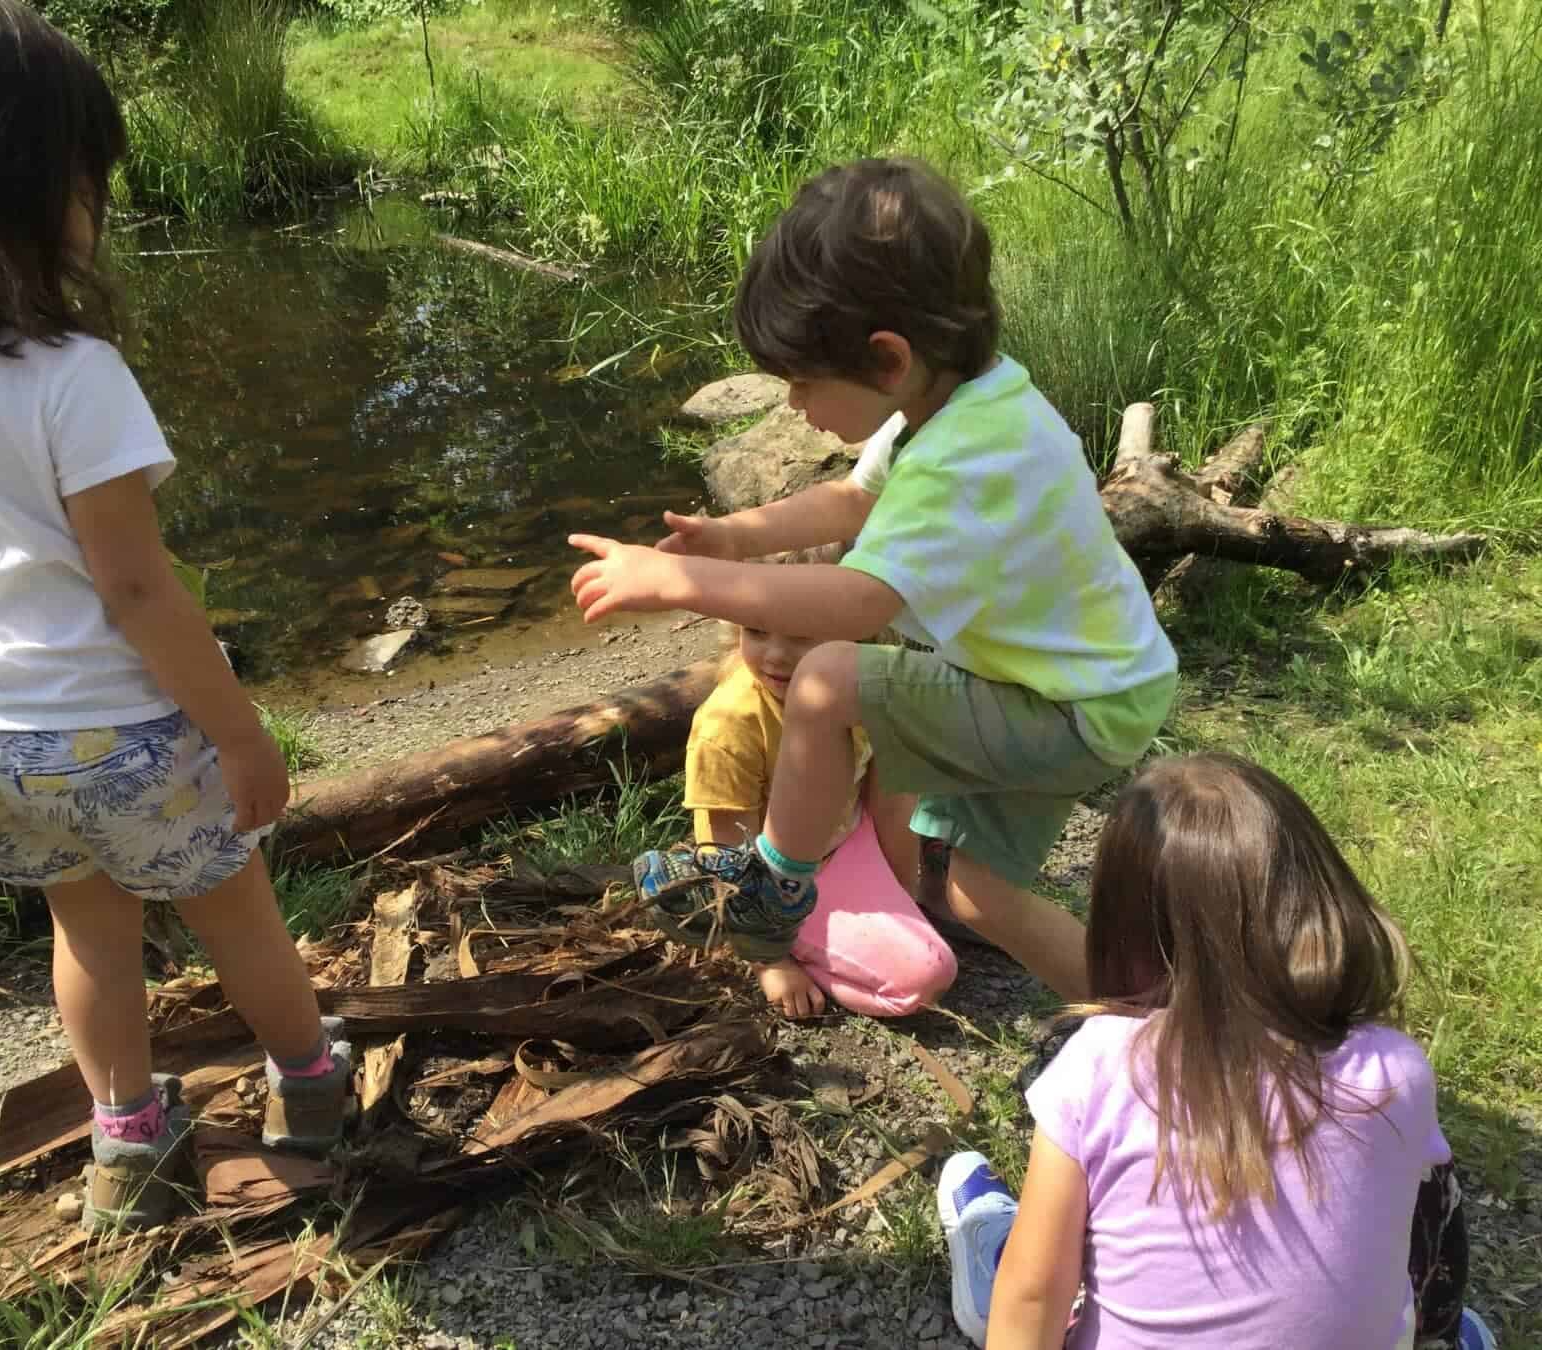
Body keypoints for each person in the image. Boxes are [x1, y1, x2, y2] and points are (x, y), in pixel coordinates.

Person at [0, 0, 352, 1234]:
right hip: (122, 737)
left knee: (87, 932)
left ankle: (129, 1142)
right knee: (235, 913)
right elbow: (137, 589)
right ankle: (312, 1090)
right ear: (26, 190)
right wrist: (244, 733)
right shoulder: (69, 376)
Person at [569, 158, 1178, 1001]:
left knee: (824, 680)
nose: (792, 405)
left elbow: (858, 601)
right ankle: (1147, 1015)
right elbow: (850, 502)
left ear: (886, 359)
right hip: (1096, 689)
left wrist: (682, 583)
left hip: (1068, 707)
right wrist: (729, 537)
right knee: (963, 885)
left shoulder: (966, 460)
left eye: (803, 381)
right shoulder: (966, 402)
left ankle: (771, 890)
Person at [935, 753, 1495, 1350]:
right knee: (1425, 1189)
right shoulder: (1396, 1070)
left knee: (1040, 1259)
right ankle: (1440, 1332)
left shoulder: (1099, 1064)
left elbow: (1032, 1297)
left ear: (1125, 924)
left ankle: (991, 1250)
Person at [683, 543, 956, 1018]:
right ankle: (805, 948)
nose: (775, 655)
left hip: (851, 839)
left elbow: (890, 797)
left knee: (971, 865)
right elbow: (727, 854)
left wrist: (902, 894)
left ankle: (915, 898)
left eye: (802, 635)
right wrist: (770, 960)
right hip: (781, 876)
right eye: (756, 630)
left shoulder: (863, 681)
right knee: (926, 977)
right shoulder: (729, 726)